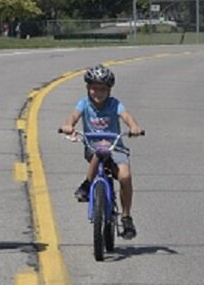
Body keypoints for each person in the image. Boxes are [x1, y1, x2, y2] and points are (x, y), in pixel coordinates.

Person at [59, 64, 144, 239]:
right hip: (93, 149)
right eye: (94, 89)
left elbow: (126, 116)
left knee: (125, 177)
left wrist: (134, 127)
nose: (98, 93)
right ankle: (87, 184)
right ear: (87, 88)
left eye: (102, 90)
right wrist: (68, 125)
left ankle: (126, 217)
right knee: (100, 150)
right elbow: (73, 115)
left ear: (109, 90)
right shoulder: (84, 104)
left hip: (116, 148)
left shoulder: (114, 104)